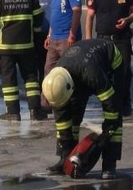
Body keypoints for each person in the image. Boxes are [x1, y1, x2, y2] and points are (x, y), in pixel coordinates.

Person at [42, 38, 124, 179]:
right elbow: (62, 120)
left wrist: (107, 134)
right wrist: (66, 153)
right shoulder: (56, 82)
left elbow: (110, 104)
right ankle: (65, 159)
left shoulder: (91, 73)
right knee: (72, 115)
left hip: (110, 64)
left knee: (114, 113)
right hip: (79, 68)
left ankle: (109, 164)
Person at [84, 0, 133, 116]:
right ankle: (109, 105)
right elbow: (89, 17)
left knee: (124, 73)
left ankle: (124, 103)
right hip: (102, 41)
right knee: (104, 74)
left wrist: (127, 20)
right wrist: (88, 39)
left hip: (122, 40)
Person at [43, 0, 83, 76]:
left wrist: (72, 34)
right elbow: (54, 16)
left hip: (66, 38)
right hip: (54, 39)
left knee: (69, 69)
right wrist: (49, 35)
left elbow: (77, 11)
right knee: (49, 69)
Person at [35, 0, 54, 113]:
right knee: (43, 70)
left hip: (58, 38)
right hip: (41, 39)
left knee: (57, 71)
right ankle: (44, 102)